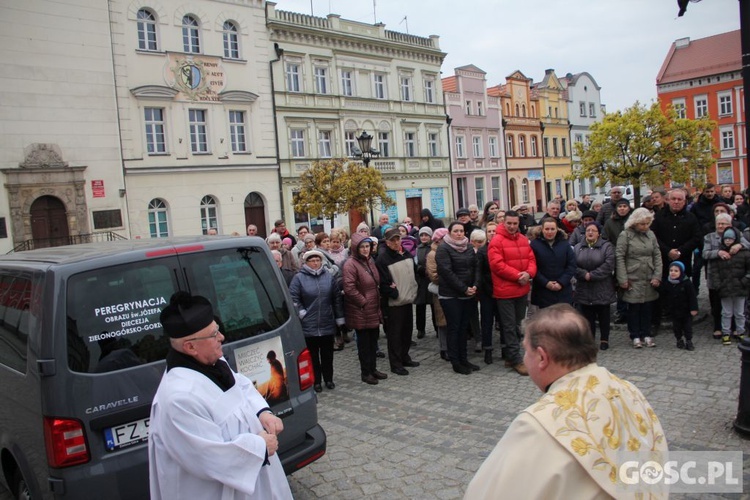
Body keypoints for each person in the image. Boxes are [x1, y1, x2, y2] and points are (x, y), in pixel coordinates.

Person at [464, 304, 667, 500]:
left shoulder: (537, 425)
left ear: (542, 357)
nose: (525, 358)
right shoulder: (629, 390)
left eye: (526, 350)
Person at [149, 292, 293, 500]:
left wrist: (263, 413)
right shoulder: (179, 398)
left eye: (218, 329)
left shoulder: (212, 360)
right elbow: (207, 456)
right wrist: (259, 448)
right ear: (190, 347)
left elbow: (241, 386)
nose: (221, 337)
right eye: (213, 334)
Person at [488, 210, 537, 375]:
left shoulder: (523, 239)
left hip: (521, 289)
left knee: (517, 325)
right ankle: (516, 359)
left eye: (515, 223)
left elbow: (531, 260)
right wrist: (518, 276)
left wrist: (528, 274)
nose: (512, 226)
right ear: (504, 223)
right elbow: (497, 265)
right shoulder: (496, 241)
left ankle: (511, 356)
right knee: (509, 326)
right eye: (509, 223)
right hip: (505, 291)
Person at [289, 250, 345, 392]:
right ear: (306, 263)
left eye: (317, 260)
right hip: (309, 324)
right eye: (312, 261)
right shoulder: (299, 278)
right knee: (313, 356)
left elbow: (336, 298)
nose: (315, 263)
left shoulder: (328, 277)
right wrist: (302, 313)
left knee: (327, 354)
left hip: (327, 322)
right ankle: (316, 381)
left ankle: (329, 379)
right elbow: (293, 297)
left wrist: (339, 318)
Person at [342, 233, 388, 385]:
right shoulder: (350, 264)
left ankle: (373, 369)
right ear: (355, 248)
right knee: (364, 345)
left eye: (367, 246)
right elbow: (349, 288)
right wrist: (364, 302)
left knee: (373, 341)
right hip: (361, 310)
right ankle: (366, 372)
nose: (365, 249)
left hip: (373, 308)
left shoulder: (370, 261)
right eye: (362, 247)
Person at [616, 208, 662, 348]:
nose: (645, 226)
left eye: (648, 223)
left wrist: (657, 276)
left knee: (648, 307)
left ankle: (646, 334)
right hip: (633, 276)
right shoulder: (625, 235)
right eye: (642, 224)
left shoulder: (651, 235)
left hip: (648, 275)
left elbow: (657, 255)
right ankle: (635, 335)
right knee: (634, 308)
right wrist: (622, 279)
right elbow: (619, 256)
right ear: (635, 222)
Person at [436, 222, 478, 375]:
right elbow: (446, 272)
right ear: (450, 232)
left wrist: (474, 285)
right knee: (454, 328)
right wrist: (464, 288)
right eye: (456, 231)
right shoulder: (443, 248)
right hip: (450, 295)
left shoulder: (468, 246)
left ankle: (464, 358)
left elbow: (475, 267)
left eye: (461, 231)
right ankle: (456, 362)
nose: (459, 233)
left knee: (463, 328)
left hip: (467, 293)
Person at [376, 228, 419, 376]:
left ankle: (405, 357)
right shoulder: (382, 258)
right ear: (387, 242)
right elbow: (383, 283)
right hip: (394, 303)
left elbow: (413, 270)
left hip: (407, 299)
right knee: (395, 335)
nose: (396, 242)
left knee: (407, 332)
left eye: (398, 239)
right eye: (392, 240)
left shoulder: (405, 253)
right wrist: (394, 293)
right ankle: (396, 364)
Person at [703, 213, 750, 339]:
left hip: (736, 278)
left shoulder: (737, 235)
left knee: (738, 309)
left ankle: (737, 329)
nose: (720, 226)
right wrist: (718, 252)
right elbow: (705, 253)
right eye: (718, 223)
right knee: (719, 306)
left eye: (723, 224)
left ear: (729, 225)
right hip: (717, 276)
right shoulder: (710, 237)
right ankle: (720, 328)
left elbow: (748, 245)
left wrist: (739, 245)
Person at [573, 222, 616, 350]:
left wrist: (592, 275)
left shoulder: (606, 246)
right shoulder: (578, 247)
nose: (590, 233)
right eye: (588, 230)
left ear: (599, 233)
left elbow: (609, 264)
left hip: (602, 286)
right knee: (587, 316)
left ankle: (604, 339)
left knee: (603, 314)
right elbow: (572, 264)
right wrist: (584, 274)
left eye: (593, 230)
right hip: (583, 286)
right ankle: (590, 340)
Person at [530, 218, 576, 309]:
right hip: (543, 290)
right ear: (542, 229)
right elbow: (533, 266)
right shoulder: (534, 245)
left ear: (557, 229)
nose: (549, 232)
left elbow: (571, 265)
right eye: (547, 229)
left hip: (563, 290)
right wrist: (546, 283)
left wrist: (561, 282)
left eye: (552, 229)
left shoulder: (565, 244)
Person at [659, 261, 698, 351]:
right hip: (674, 310)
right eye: (671, 270)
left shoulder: (687, 283)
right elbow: (664, 295)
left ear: (681, 272)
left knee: (687, 327)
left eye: (676, 271)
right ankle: (679, 339)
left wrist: (694, 308)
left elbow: (692, 297)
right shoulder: (668, 283)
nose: (673, 272)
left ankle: (689, 340)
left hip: (686, 310)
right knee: (677, 327)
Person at [475, 222, 499, 364]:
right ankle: (488, 349)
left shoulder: (501, 248)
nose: (492, 233)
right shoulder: (482, 251)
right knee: (487, 321)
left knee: (502, 321)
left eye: (494, 231)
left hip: (501, 290)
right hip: (486, 291)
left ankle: (504, 349)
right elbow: (479, 271)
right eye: (489, 231)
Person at [426, 228, 450, 360]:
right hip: (440, 290)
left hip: (451, 290)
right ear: (439, 239)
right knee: (442, 322)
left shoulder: (448, 249)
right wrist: (451, 279)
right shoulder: (432, 254)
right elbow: (433, 275)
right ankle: (443, 348)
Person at [414, 226, 434, 340]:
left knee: (434, 304)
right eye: (422, 235)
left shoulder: (433, 247)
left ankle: (437, 328)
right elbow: (415, 263)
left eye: (426, 235)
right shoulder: (418, 249)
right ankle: (420, 329)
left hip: (431, 279)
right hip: (421, 280)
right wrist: (420, 269)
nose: (424, 237)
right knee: (420, 306)